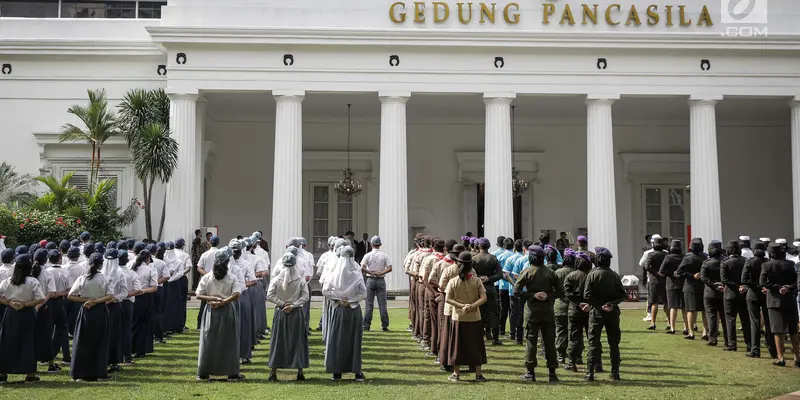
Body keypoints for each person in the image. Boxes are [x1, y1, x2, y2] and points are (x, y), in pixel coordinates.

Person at [515, 245, 563, 383]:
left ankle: (530, 372)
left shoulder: (527, 272)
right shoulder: (550, 273)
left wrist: (532, 295)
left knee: (531, 341)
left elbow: (517, 291)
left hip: (532, 311)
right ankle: (552, 373)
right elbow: (560, 292)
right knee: (549, 342)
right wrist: (548, 295)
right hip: (547, 311)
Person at [196, 248, 245, 381]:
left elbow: (199, 294)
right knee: (229, 341)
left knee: (208, 341)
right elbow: (237, 293)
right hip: (228, 310)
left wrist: (212, 299)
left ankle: (205, 371)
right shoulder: (231, 277)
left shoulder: (207, 277)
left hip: (211, 310)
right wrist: (224, 301)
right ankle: (231, 372)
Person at [322, 245, 367, 382]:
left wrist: (338, 299)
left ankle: (337, 372)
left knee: (337, 340)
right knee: (354, 340)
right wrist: (351, 300)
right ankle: (356, 372)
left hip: (338, 308)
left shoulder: (334, 272)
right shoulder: (356, 271)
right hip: (353, 309)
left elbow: (325, 291)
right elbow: (363, 293)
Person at [68, 252, 114, 382]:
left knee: (83, 341)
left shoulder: (82, 278)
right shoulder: (105, 278)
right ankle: (99, 372)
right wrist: (95, 301)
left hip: (86, 310)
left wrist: (86, 300)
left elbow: (71, 295)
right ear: (101, 264)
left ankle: (80, 372)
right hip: (99, 311)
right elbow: (110, 295)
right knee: (100, 342)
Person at [0, 254, 46, 383]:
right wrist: (24, 304)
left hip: (11, 314)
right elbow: (40, 299)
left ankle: (3, 372)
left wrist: (9, 302)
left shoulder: (8, 281)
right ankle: (30, 373)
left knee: (8, 341)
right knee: (28, 342)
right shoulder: (32, 282)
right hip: (27, 313)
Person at [583, 247, 626, 382]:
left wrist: (598, 305)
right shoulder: (614, 275)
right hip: (612, 313)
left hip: (596, 313)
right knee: (614, 344)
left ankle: (590, 372)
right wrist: (611, 304)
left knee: (593, 343)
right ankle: (615, 372)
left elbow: (586, 295)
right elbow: (622, 295)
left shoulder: (593, 274)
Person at [444, 251, 488, 382]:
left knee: (457, 346)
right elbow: (484, 297)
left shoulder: (453, 281)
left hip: (458, 317)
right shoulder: (477, 281)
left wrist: (461, 306)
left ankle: (456, 374)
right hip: (474, 317)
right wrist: (472, 306)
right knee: (475, 345)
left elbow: (448, 299)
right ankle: (478, 374)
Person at [266, 252, 310, 382]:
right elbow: (305, 297)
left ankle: (274, 371)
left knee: (278, 340)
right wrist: (294, 304)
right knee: (297, 341)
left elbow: (270, 295)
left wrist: (282, 303)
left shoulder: (276, 280)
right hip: (295, 313)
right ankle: (299, 371)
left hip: (281, 312)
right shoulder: (300, 281)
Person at [760, 243, 800, 367]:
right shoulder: (790, 264)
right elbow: (796, 282)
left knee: (778, 331)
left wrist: (776, 288)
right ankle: (797, 357)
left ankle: (780, 357)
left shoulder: (766, 265)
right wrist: (788, 287)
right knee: (793, 330)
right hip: (789, 300)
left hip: (774, 301)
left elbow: (762, 281)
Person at [741, 241, 777, 358]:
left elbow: (744, 279)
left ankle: (755, 349)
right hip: (766, 294)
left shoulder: (750, 262)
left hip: (752, 294)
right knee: (768, 322)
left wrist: (756, 286)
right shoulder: (767, 262)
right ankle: (773, 349)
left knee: (755, 322)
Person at [563, 251, 592, 371]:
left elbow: (567, 293)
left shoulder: (571, 276)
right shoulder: (592, 275)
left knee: (574, 337)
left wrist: (579, 303)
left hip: (575, 309)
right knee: (592, 337)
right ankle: (595, 363)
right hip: (590, 310)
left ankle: (571, 362)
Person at [229, 239, 257, 365]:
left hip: (240, 294)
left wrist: (240, 284)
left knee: (243, 326)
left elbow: (253, 280)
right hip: (232, 295)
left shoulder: (245, 263)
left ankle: (244, 354)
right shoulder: (227, 263)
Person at [720, 240, 750, 352]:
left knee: (730, 320)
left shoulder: (725, 262)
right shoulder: (745, 261)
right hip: (743, 294)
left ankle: (732, 343)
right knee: (745, 320)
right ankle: (749, 343)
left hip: (730, 294)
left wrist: (737, 287)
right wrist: (743, 287)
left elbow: (724, 279)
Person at [472, 237, 504, 345]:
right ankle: (495, 337)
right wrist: (489, 278)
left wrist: (478, 278)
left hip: (477, 289)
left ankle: (479, 335)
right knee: (493, 313)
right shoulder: (493, 259)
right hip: (490, 288)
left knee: (479, 312)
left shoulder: (474, 259)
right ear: (489, 246)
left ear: (479, 246)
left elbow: (470, 274)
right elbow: (500, 274)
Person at [676, 238, 708, 340]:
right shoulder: (705, 257)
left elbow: (679, 271)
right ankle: (705, 332)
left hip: (690, 286)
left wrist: (691, 275)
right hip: (703, 286)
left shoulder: (687, 258)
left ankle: (691, 332)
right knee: (704, 310)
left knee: (690, 310)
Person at [102, 248, 129, 373]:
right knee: (114, 335)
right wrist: (114, 298)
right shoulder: (119, 273)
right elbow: (124, 292)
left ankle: (107, 361)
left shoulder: (100, 273)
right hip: (113, 305)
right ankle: (113, 362)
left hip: (103, 305)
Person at [418, 238, 445, 352]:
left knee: (430, 317)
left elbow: (424, 278)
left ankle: (430, 343)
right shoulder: (450, 261)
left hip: (432, 289)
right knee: (443, 320)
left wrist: (434, 292)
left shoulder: (428, 258)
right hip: (445, 291)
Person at [361, 236, 392, 332]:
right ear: (380, 245)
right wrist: (381, 273)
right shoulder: (384, 255)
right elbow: (390, 268)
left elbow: (362, 267)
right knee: (382, 304)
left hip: (370, 279)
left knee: (369, 304)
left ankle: (366, 325)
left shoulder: (368, 255)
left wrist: (371, 272)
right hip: (380, 279)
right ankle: (384, 325)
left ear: (371, 244)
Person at [46, 249, 71, 368]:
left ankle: (47, 355)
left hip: (47, 302)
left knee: (48, 330)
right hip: (59, 302)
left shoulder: (46, 272)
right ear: (60, 259)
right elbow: (69, 290)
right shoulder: (64, 272)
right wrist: (59, 294)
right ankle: (65, 355)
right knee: (62, 329)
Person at [131, 250, 158, 358]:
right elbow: (154, 287)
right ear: (148, 259)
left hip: (133, 296)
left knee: (133, 323)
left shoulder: (132, 268)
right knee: (144, 324)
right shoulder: (150, 270)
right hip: (145, 297)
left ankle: (131, 347)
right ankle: (141, 349)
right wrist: (144, 291)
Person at [701, 240, 727, 347]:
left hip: (710, 292)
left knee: (711, 316)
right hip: (723, 292)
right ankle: (728, 339)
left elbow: (704, 278)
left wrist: (714, 285)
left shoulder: (706, 263)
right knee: (724, 317)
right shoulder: (725, 262)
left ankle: (712, 338)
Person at [659, 240, 688, 335]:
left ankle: (672, 327)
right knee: (684, 307)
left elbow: (662, 271)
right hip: (683, 283)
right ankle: (686, 327)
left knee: (673, 307)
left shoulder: (668, 257)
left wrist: (671, 274)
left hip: (671, 283)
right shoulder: (684, 257)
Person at [502, 239, 526, 343]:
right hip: (526, 290)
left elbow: (506, 274)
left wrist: (514, 284)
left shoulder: (511, 258)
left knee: (513, 312)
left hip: (512, 290)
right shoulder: (526, 259)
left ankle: (513, 333)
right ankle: (522, 333)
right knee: (523, 312)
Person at [554, 248, 575, 364]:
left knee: (561, 330)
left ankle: (561, 354)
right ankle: (575, 355)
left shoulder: (558, 272)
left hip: (560, 306)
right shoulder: (577, 272)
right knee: (574, 331)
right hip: (574, 306)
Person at [196, 235, 220, 330]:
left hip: (207, 280)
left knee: (204, 301)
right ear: (218, 243)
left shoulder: (205, 254)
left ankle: (200, 324)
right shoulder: (220, 253)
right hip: (218, 279)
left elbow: (199, 268)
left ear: (209, 243)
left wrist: (206, 275)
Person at [645, 237, 668, 330]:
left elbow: (647, 266)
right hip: (665, 279)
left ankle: (653, 323)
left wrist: (656, 273)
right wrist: (663, 273)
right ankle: (669, 322)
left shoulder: (651, 254)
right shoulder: (666, 254)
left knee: (654, 302)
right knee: (667, 302)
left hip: (654, 279)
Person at [315, 237, 337, 331]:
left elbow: (319, 272)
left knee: (327, 307)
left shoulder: (326, 256)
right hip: (331, 285)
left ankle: (324, 325)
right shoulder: (326, 256)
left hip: (328, 284)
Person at [171, 238, 192, 333]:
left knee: (172, 302)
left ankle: (171, 323)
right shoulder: (185, 255)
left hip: (171, 279)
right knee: (182, 302)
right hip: (181, 279)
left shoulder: (170, 253)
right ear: (183, 245)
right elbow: (189, 267)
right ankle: (181, 324)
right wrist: (181, 273)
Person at [495, 238, 515, 340]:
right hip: (514, 286)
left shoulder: (501, 256)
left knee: (503, 308)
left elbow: (499, 272)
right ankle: (513, 330)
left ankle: (501, 329)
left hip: (502, 285)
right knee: (513, 310)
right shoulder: (515, 256)